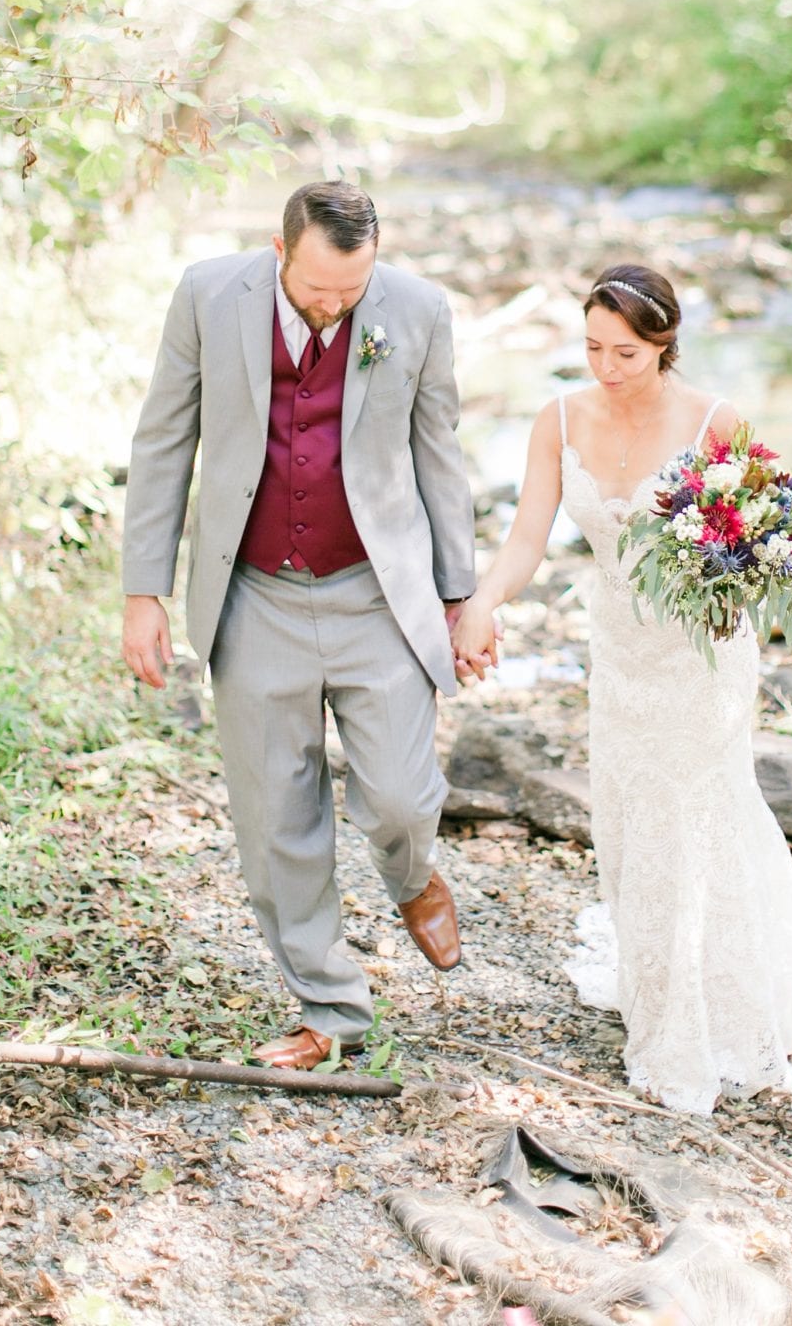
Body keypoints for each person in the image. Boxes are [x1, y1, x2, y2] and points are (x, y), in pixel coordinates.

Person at [452, 263, 792, 1113]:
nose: (605, 366)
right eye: (593, 347)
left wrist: (735, 589)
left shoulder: (715, 421)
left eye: (625, 352)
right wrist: (484, 601)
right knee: (633, 818)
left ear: (663, 344)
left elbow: (755, 542)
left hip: (704, 656)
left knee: (695, 811)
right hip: (622, 657)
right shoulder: (557, 418)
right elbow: (527, 537)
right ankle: (660, 984)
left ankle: (714, 1016)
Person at [121, 181, 476, 1070]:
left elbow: (439, 454)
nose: (332, 306)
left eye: (350, 293)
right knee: (277, 817)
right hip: (254, 590)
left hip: (374, 592)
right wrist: (143, 591)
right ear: (277, 252)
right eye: (317, 288)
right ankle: (332, 1010)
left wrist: (460, 595)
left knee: (398, 792)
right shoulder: (209, 295)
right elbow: (165, 440)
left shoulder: (419, 310)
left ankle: (411, 874)